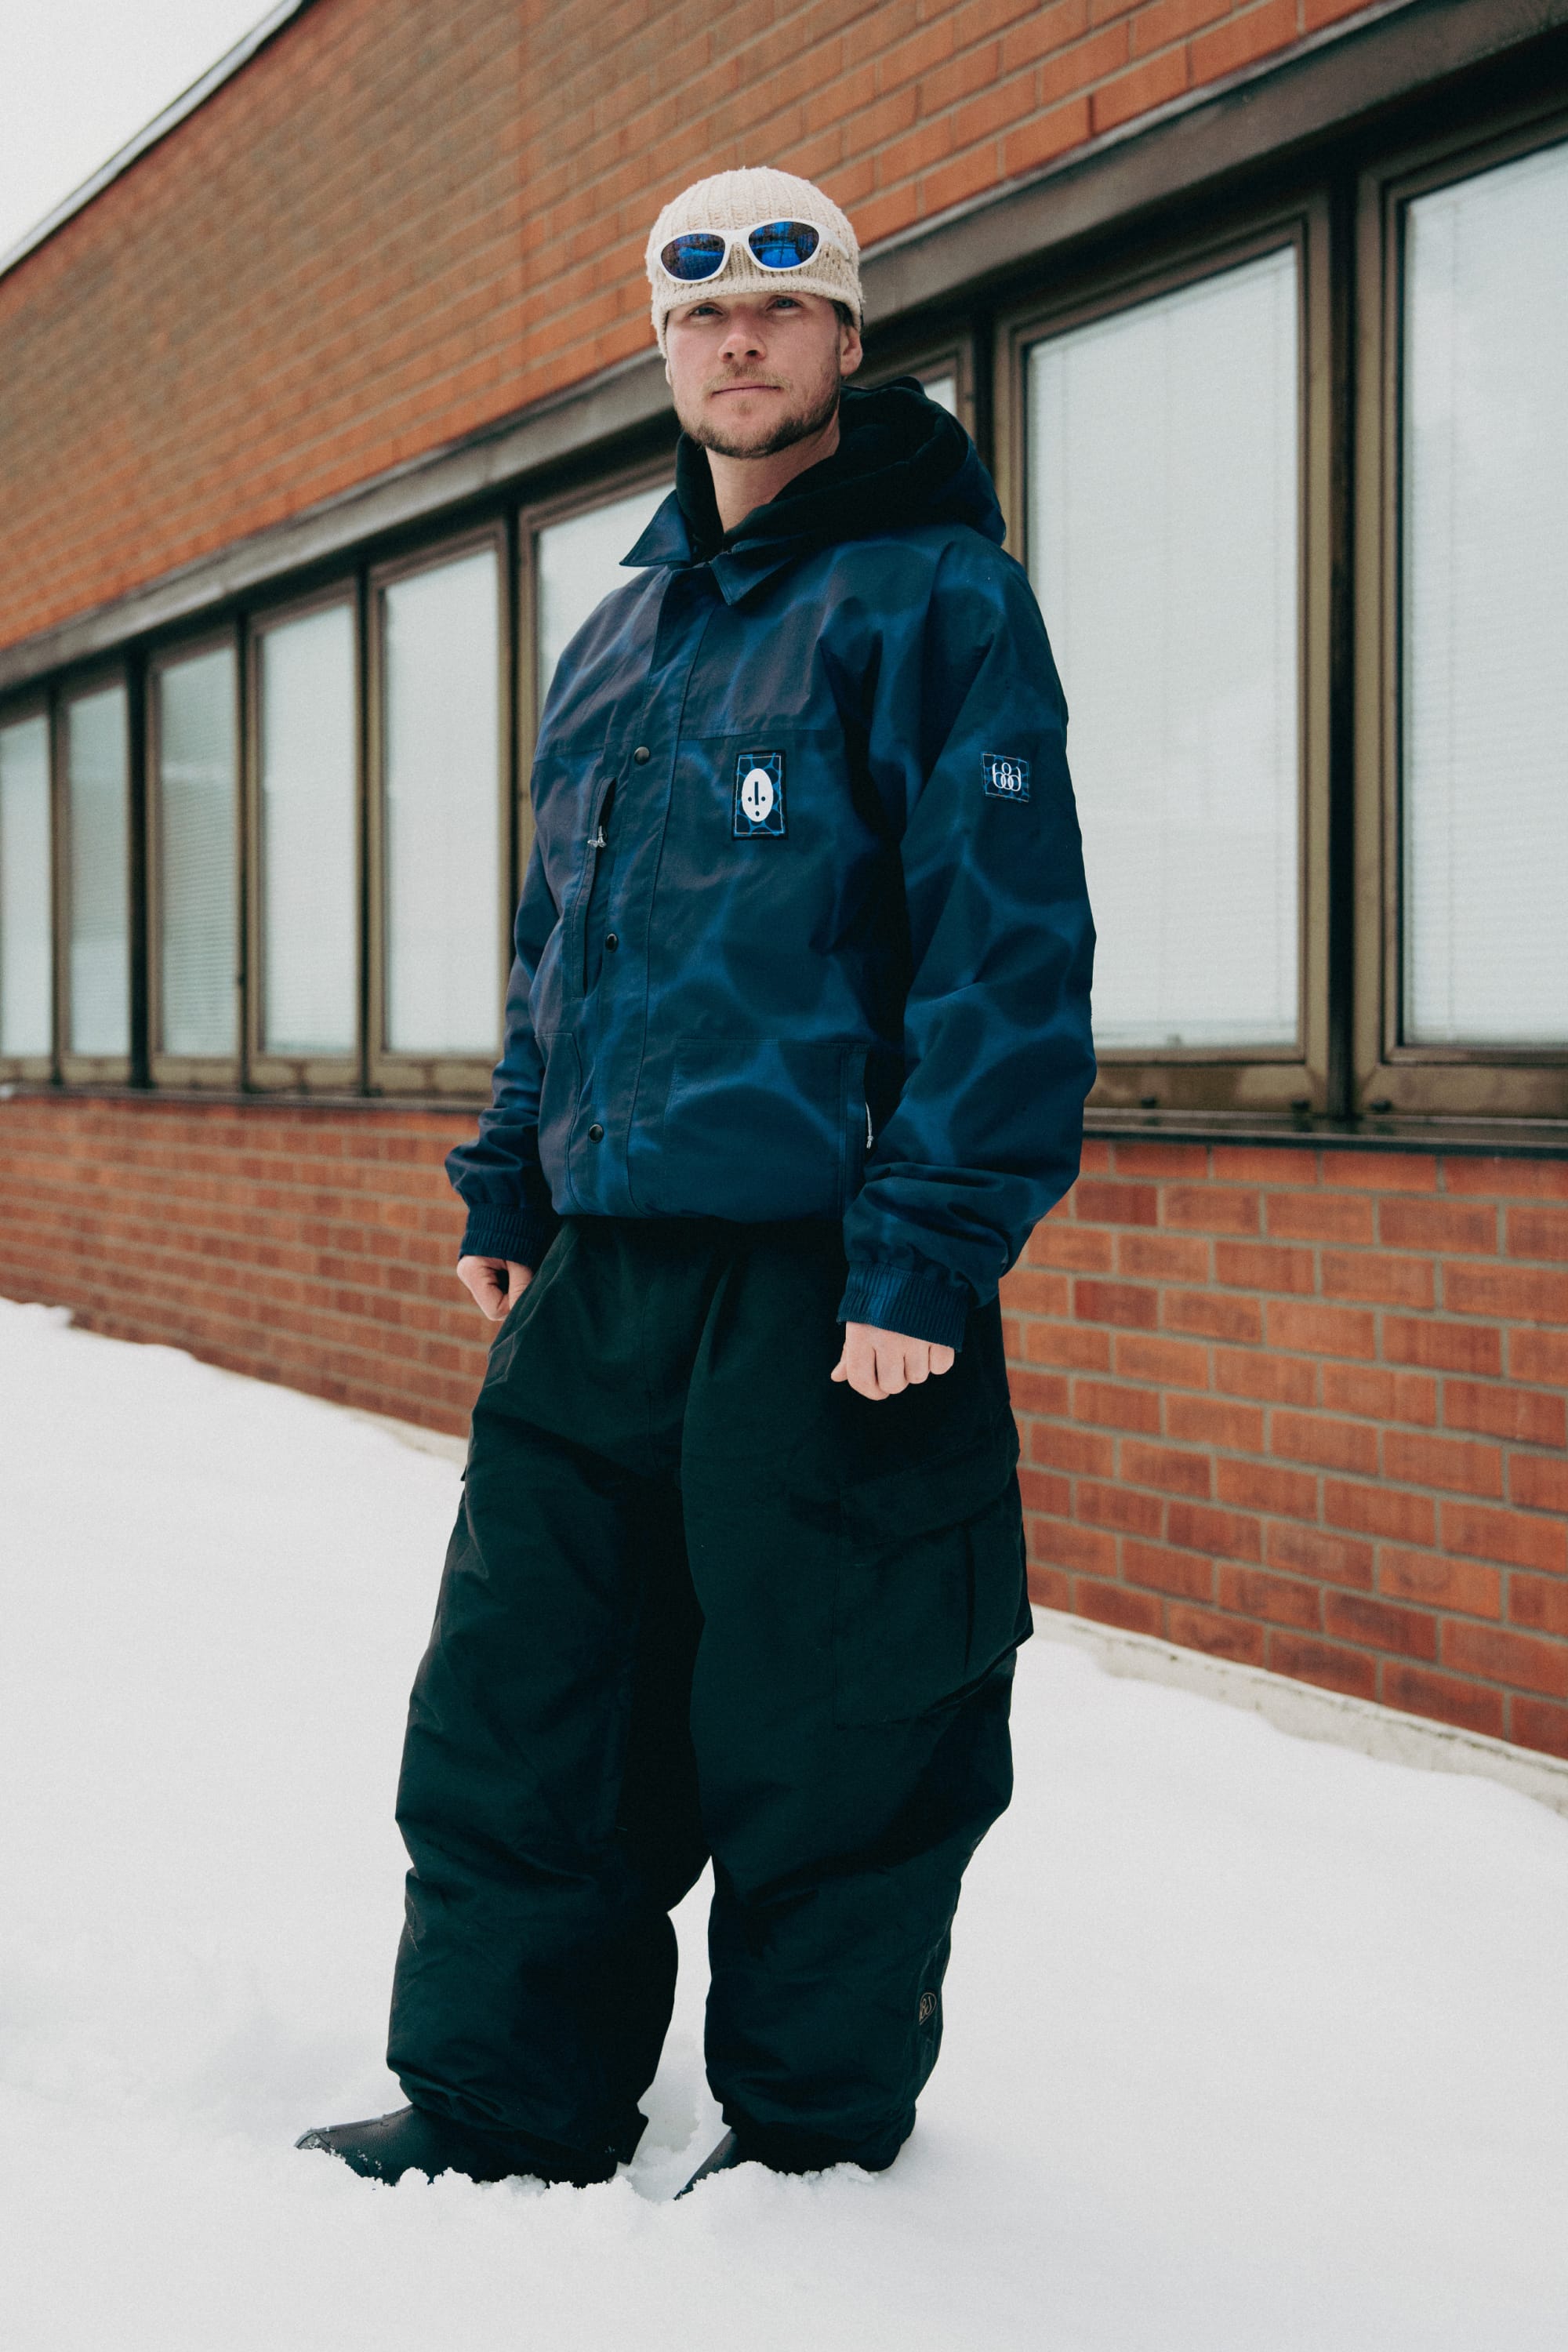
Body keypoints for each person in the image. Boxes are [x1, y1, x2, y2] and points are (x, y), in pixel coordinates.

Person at [297, 165, 1094, 2194]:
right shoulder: (624, 631)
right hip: (608, 1283)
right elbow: (567, 938)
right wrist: (509, 1178)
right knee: (527, 1698)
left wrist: (929, 1259)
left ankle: (812, 2158)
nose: (739, 341)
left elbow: (1006, 954)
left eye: (782, 306)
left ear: (843, 335)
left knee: (841, 1731)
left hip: (831, 1290)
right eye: (698, 313)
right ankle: (503, 2101)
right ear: (665, 347)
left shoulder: (941, 600)